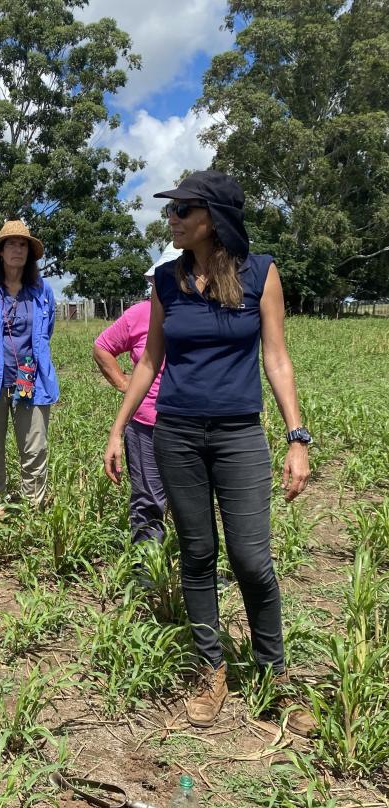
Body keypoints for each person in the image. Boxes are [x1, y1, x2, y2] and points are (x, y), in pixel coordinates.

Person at [103, 170, 314, 734]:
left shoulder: (260, 273)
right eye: (170, 211)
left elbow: (277, 359)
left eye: (181, 211)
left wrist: (296, 437)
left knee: (251, 559)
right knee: (197, 554)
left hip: (239, 435)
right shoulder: (167, 281)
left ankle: (273, 676)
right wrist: (118, 429)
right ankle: (211, 668)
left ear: (213, 218)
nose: (170, 219)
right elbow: (148, 361)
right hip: (176, 433)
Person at [0, 220, 59, 511]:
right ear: (0, 252)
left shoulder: (43, 291)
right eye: (11, 244)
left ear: (30, 253)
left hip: (31, 379)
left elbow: (47, 332)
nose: (17, 249)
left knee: (34, 447)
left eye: (23, 245)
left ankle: (33, 506)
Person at [93, 246, 181, 552]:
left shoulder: (202, 313)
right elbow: (103, 346)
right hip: (146, 422)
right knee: (149, 498)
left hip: (190, 422)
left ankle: (189, 565)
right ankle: (148, 566)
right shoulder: (140, 313)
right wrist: (122, 382)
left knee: (189, 499)